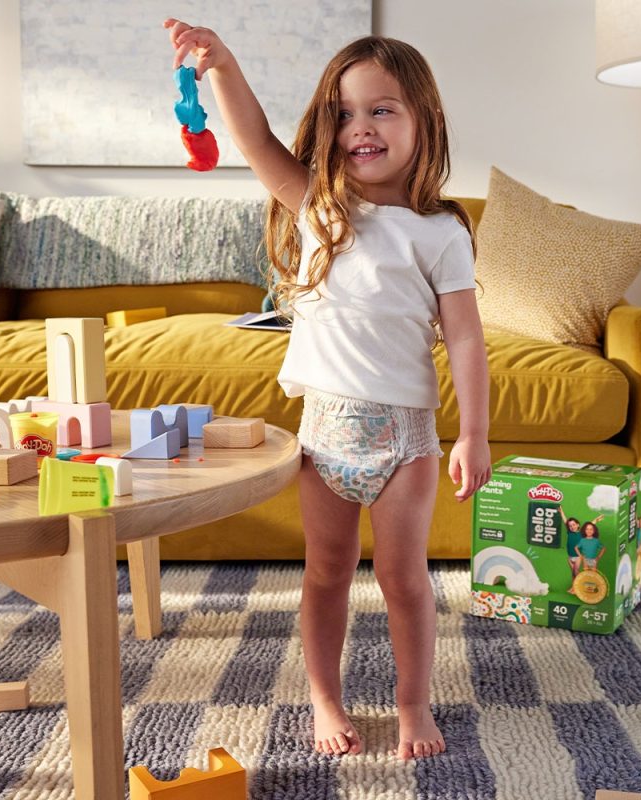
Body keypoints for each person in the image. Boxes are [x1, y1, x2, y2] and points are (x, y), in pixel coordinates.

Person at [164, 19, 492, 760]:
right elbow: (253, 139)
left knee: (405, 581)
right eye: (343, 114)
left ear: (424, 120)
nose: (360, 127)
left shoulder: (441, 232)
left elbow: (467, 339)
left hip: (405, 442)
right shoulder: (319, 205)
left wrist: (474, 433)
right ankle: (324, 698)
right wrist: (224, 65)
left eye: (382, 110)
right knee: (326, 574)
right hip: (325, 436)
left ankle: (412, 705)